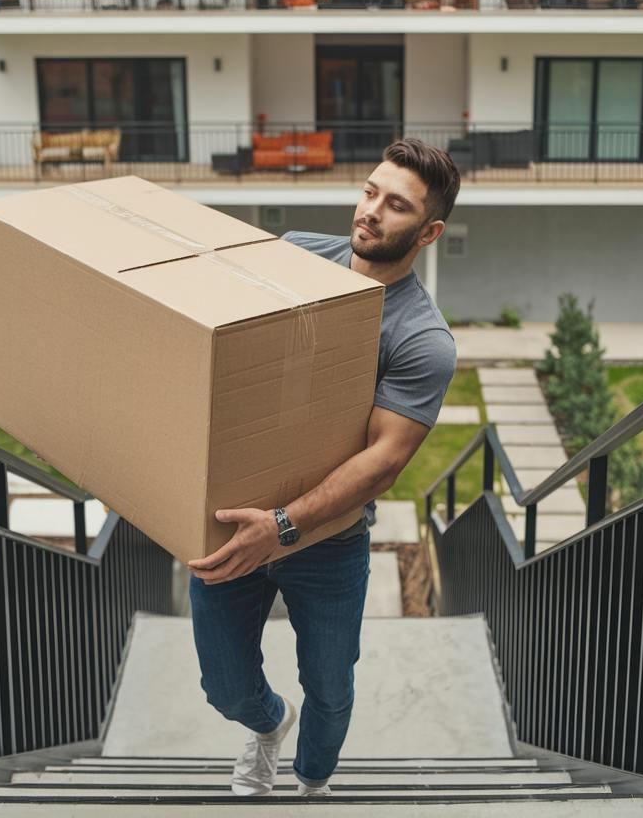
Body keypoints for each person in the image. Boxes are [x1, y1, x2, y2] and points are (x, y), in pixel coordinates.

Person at [187, 138, 460, 797]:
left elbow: (382, 464)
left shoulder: (422, 340)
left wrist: (280, 527)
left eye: (395, 206)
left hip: (327, 543)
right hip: (233, 517)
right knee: (222, 686)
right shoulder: (301, 255)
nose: (370, 212)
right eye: (370, 191)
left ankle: (312, 781)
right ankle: (268, 724)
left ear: (429, 232)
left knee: (331, 687)